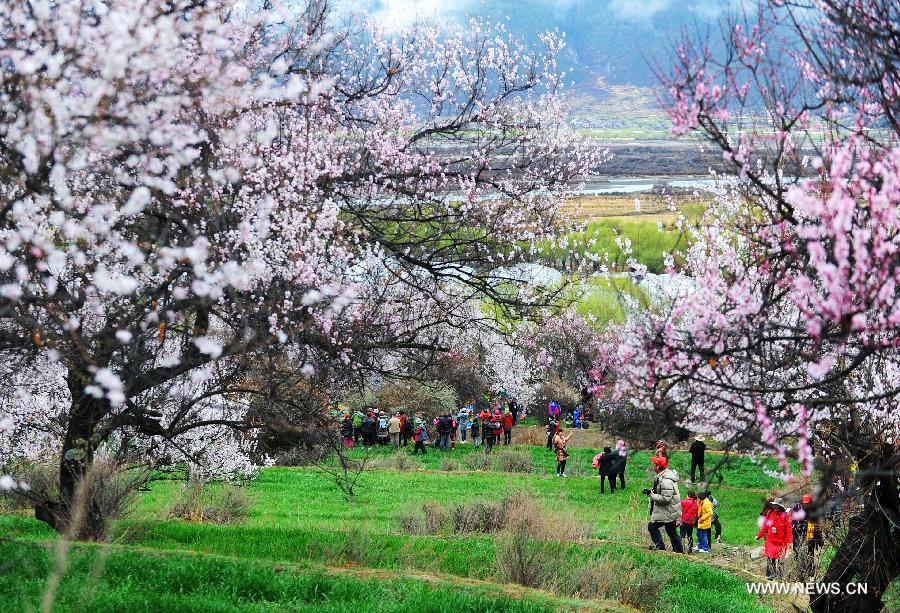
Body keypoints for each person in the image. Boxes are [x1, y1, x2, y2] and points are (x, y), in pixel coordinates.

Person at [645, 456, 684, 553]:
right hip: (670, 510)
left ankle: (660, 547)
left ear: (658, 467)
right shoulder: (664, 476)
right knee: (672, 532)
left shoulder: (665, 481)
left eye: (655, 464)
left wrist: (652, 495)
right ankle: (679, 552)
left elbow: (666, 498)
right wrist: (652, 491)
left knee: (652, 526)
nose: (653, 466)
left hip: (667, 511)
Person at [756, 497, 793, 580]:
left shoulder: (786, 515)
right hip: (770, 540)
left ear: (781, 507)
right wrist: (759, 535)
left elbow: (789, 530)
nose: (775, 507)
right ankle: (770, 574)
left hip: (781, 542)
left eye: (777, 505)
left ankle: (780, 575)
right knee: (770, 557)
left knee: (780, 559)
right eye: (774, 505)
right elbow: (765, 526)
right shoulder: (769, 513)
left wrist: (789, 542)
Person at [792, 494, 823, 580]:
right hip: (799, 535)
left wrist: (819, 539)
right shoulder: (798, 509)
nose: (806, 505)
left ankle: (810, 574)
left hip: (810, 535)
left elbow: (817, 526)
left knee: (810, 554)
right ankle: (800, 574)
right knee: (799, 553)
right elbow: (793, 523)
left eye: (807, 503)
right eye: (804, 503)